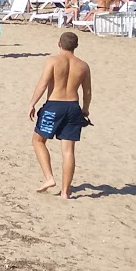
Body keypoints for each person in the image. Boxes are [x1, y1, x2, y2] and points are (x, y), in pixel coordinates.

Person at [27, 31, 92, 200]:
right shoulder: (83, 66)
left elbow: (43, 84)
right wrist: (85, 109)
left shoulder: (53, 61)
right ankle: (65, 192)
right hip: (73, 106)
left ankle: (49, 177)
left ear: (59, 44)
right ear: (76, 46)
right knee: (68, 150)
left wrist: (32, 103)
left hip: (54, 105)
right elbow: (87, 92)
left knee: (38, 140)